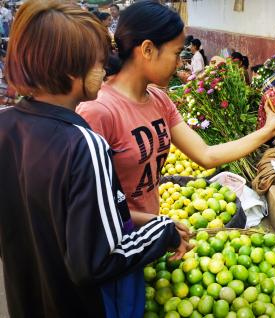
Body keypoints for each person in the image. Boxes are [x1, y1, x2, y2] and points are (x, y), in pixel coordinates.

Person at [0, 1, 192, 317]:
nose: (104, 71)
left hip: (29, 296)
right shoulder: (85, 144)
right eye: (98, 62)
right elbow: (99, 258)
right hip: (78, 305)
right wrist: (162, 233)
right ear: (70, 68)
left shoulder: (6, 126)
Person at [76, 1, 275, 227]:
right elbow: (91, 207)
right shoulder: (98, 112)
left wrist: (267, 131)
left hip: (153, 236)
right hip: (123, 245)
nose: (178, 64)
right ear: (147, 49)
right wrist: (158, 224)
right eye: (176, 54)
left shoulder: (159, 101)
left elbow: (206, 155)